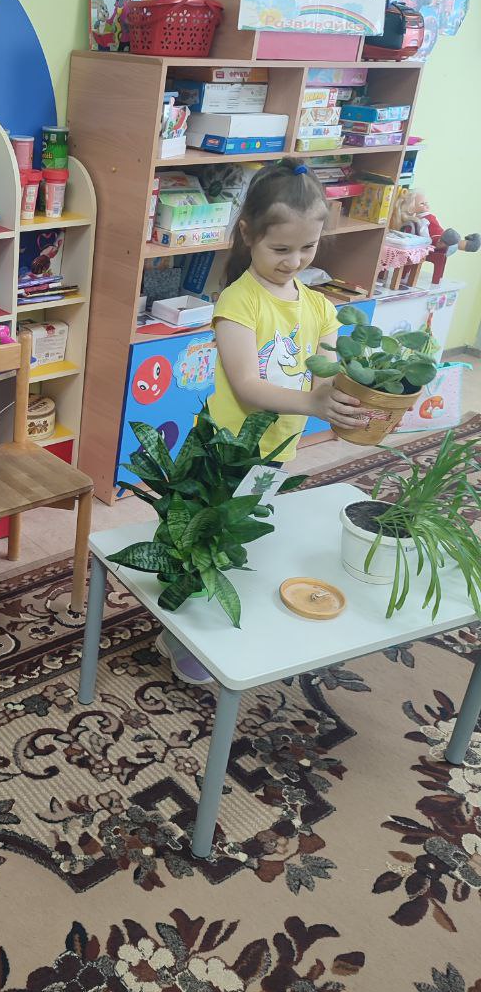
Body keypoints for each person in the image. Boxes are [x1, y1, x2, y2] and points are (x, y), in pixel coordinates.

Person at [160, 160, 362, 685]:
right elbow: (248, 386)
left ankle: (203, 623)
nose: (294, 261)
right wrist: (315, 404)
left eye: (307, 248)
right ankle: (179, 633)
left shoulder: (319, 307)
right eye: (280, 249)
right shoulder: (238, 302)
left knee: (238, 536)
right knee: (201, 540)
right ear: (248, 234)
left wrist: (350, 396)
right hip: (226, 449)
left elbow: (327, 372)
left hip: (277, 448)